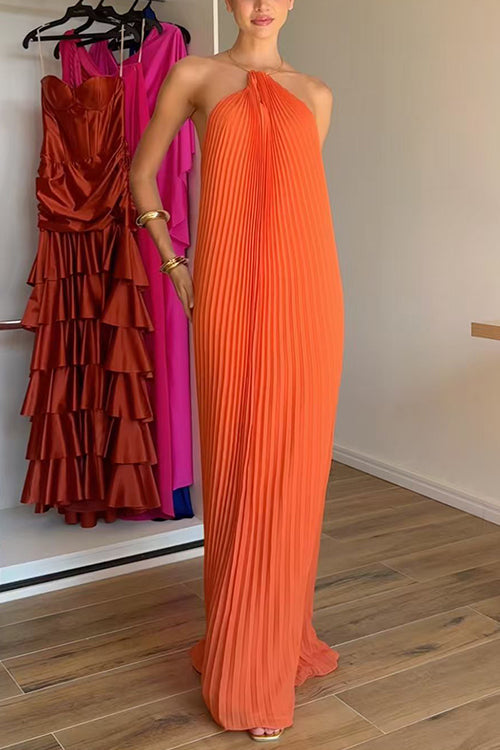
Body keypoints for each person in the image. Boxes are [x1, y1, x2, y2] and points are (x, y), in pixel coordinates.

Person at [129, 0, 344, 742]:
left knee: (293, 468)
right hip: (226, 296)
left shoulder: (315, 94)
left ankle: (277, 643)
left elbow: (294, 203)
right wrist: (176, 265)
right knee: (237, 465)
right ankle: (244, 655)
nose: (261, 4)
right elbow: (142, 175)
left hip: (308, 297)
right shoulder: (195, 74)